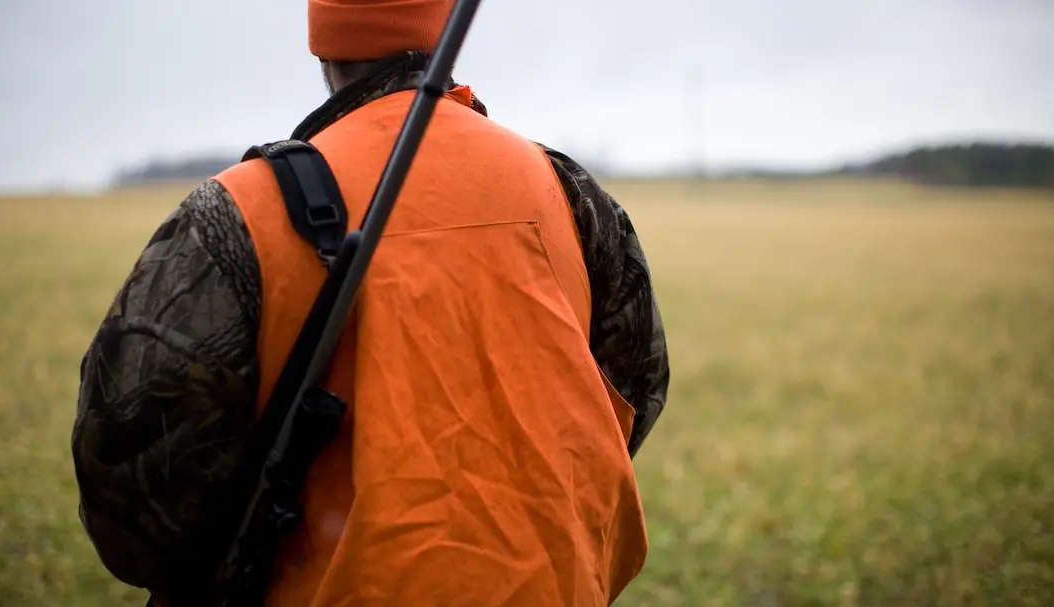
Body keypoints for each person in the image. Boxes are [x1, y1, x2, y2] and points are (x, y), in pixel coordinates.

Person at [71, 0, 670, 605]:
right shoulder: (565, 189)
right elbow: (627, 402)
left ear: (322, 46)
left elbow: (130, 494)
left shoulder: (236, 212)